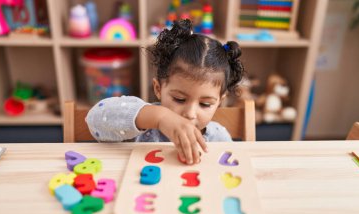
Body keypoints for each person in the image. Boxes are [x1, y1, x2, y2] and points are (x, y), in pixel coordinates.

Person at [86, 19, 244, 165]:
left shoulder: (218, 138)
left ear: (220, 100)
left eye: (205, 104)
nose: (190, 113)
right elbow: (94, 120)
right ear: (158, 88)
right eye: (179, 99)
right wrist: (159, 117)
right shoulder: (144, 126)